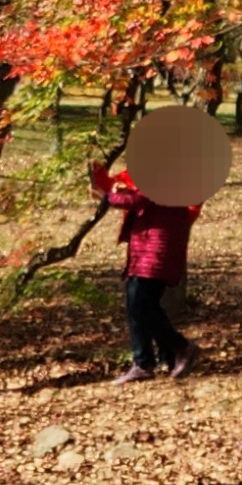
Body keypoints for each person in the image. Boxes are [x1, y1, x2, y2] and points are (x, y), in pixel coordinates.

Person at [91, 149, 201, 380]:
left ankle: (177, 348)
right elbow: (123, 185)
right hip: (146, 249)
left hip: (157, 250)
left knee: (141, 304)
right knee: (139, 305)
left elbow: (139, 199)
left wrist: (106, 196)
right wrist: (100, 175)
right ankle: (148, 360)